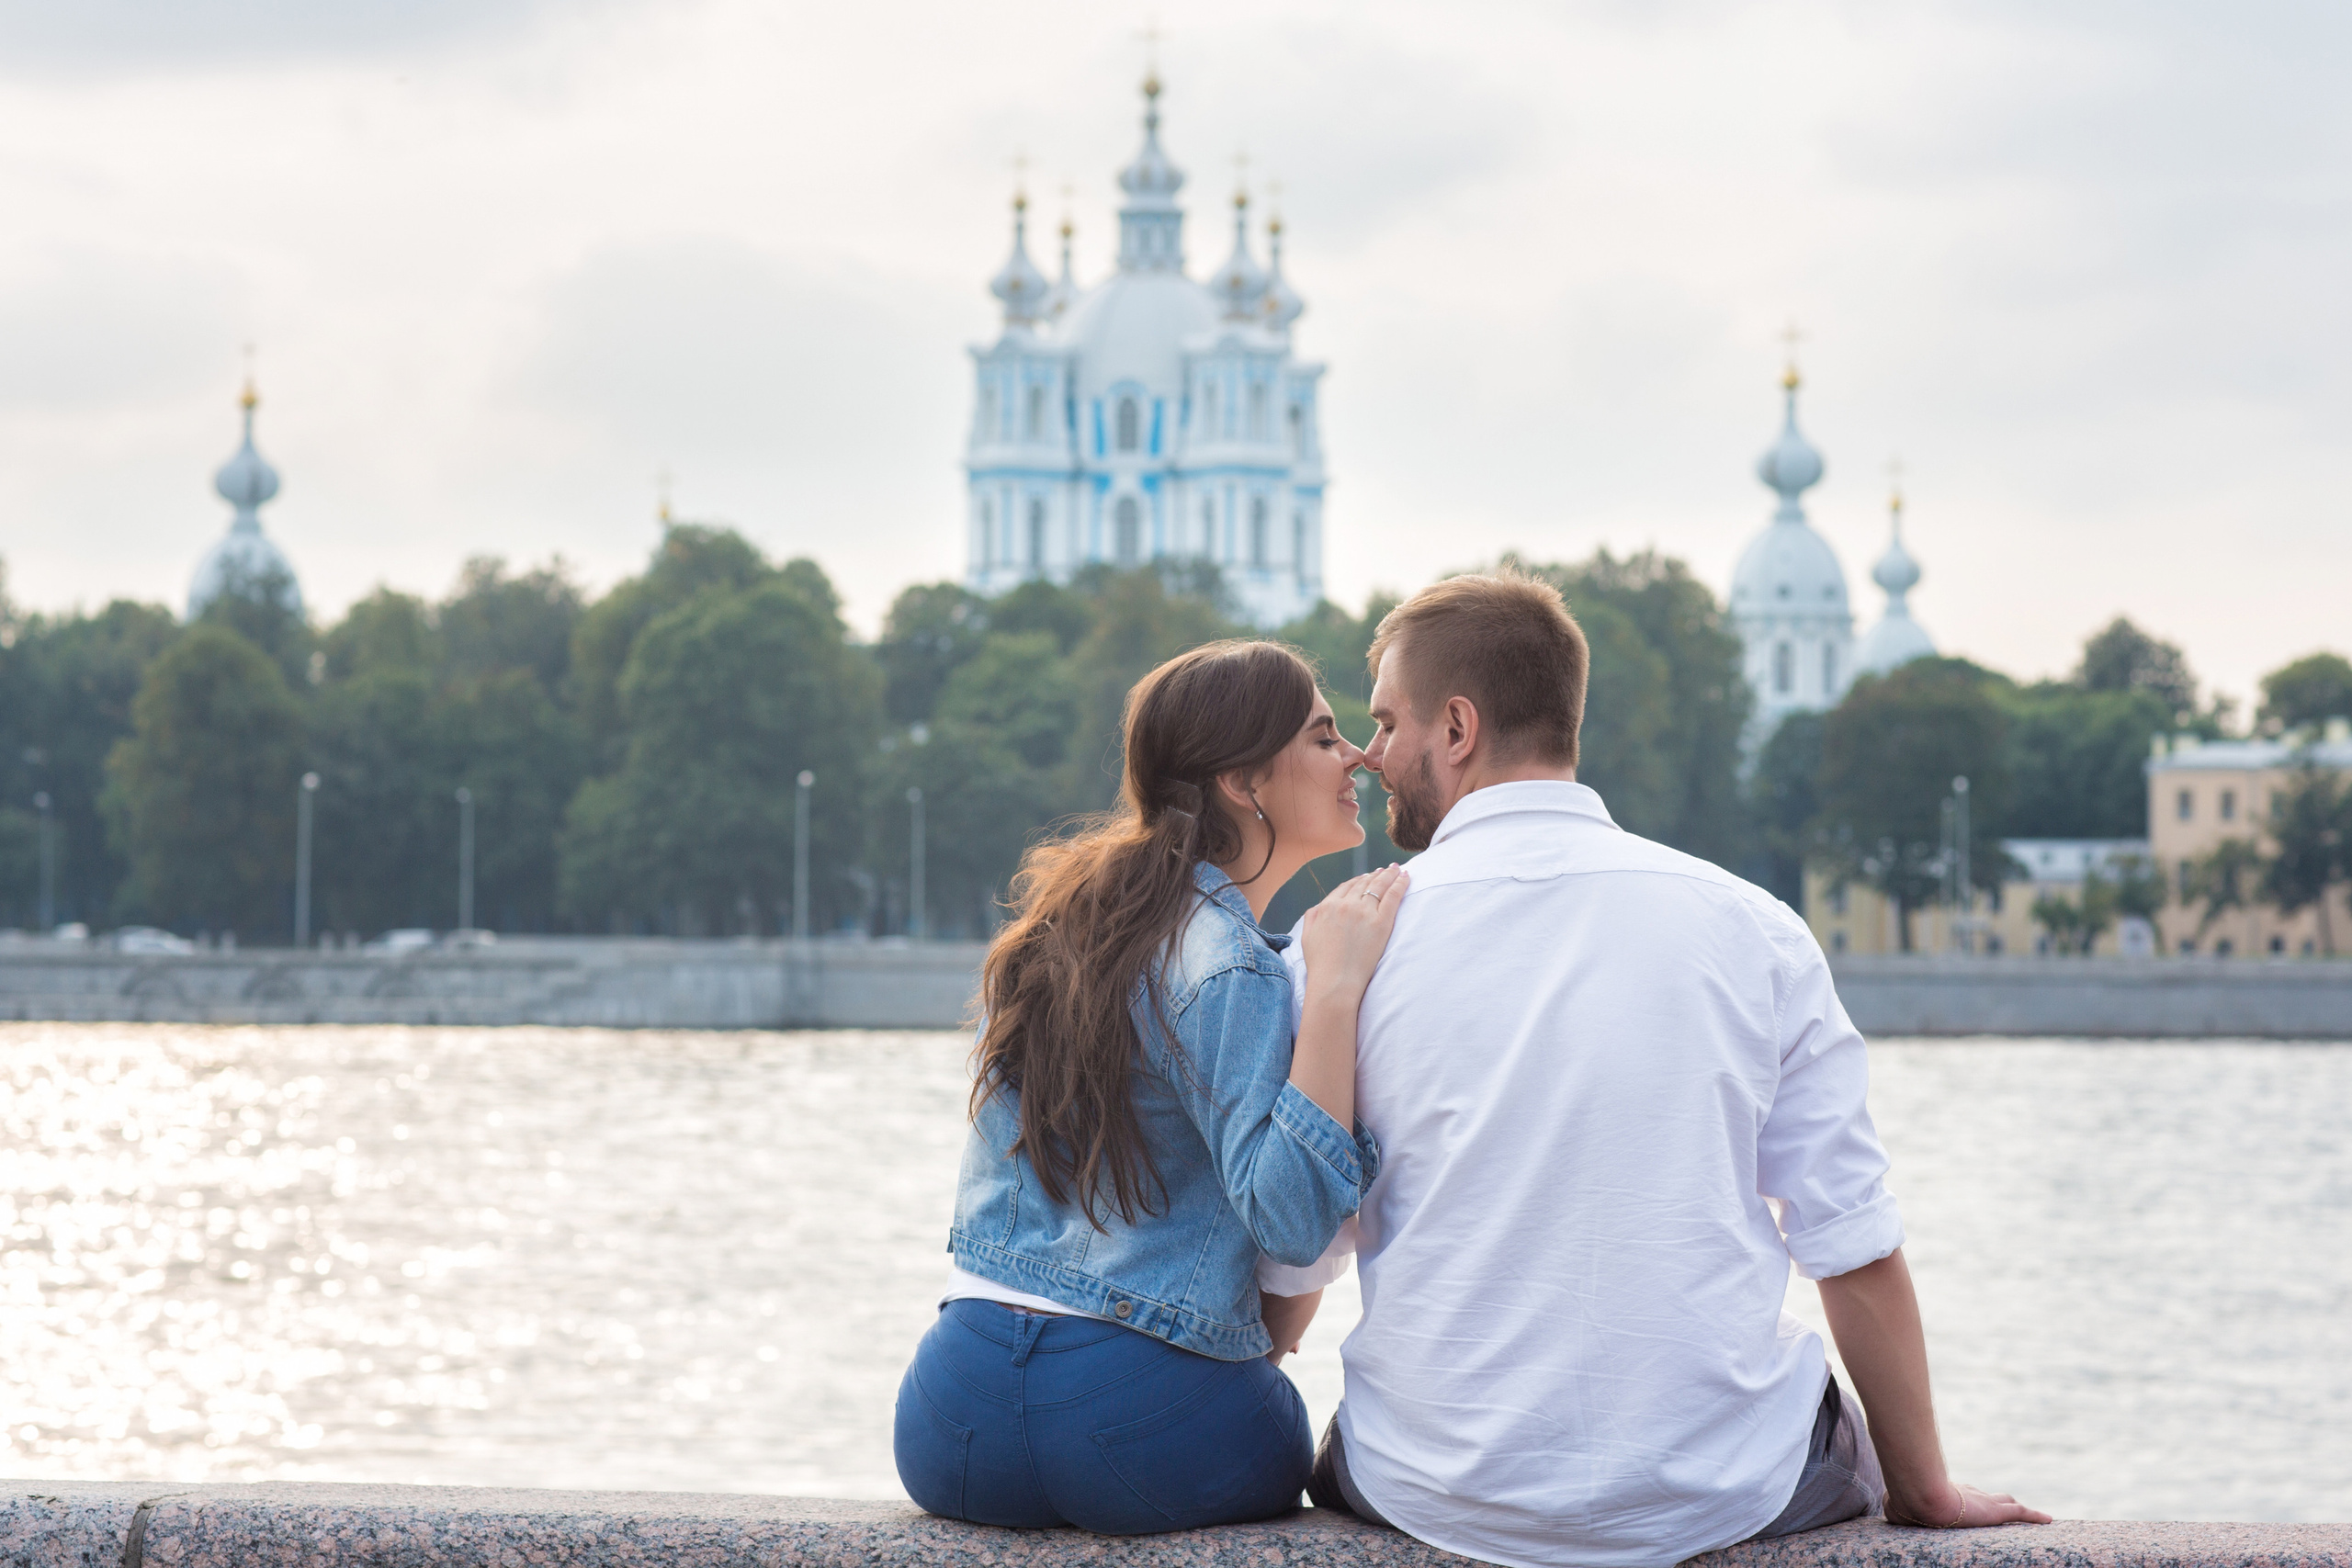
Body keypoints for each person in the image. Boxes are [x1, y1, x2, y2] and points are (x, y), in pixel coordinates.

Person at [1266, 570, 2049, 1567]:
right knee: (1817, 1411)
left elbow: (1297, 1256)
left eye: (1384, 722)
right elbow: (1848, 1240)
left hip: (1434, 1490)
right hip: (1720, 1493)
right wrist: (1925, 1489)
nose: (1369, 757)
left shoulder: (1339, 948)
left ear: (1455, 728)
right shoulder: (1754, 929)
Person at [894, 639, 1409, 1534]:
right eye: (1326, 738)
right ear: (1244, 783)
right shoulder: (1231, 965)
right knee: (1327, 1441)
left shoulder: (1055, 931)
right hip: (1131, 1433)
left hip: (950, 1415)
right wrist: (1331, 991)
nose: (1358, 754)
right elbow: (1289, 1222)